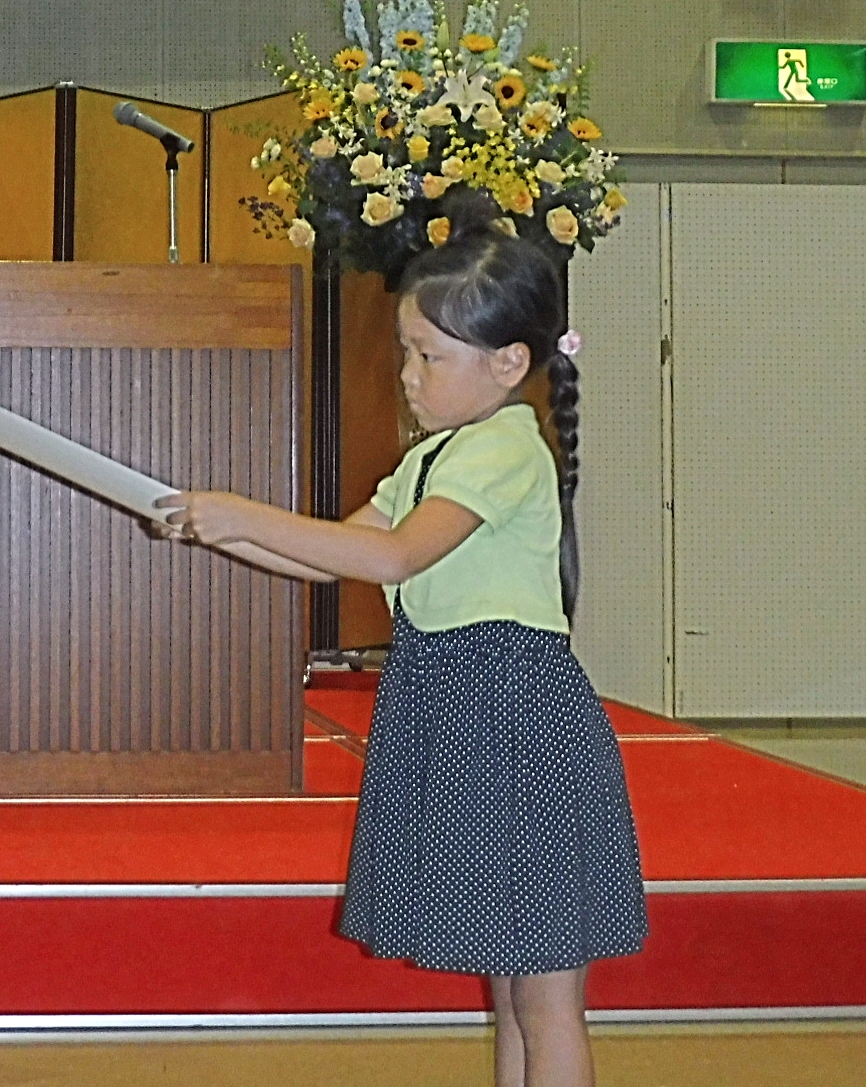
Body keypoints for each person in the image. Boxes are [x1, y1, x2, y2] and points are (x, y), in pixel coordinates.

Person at [163, 231, 645, 1087]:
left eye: (429, 355)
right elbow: (333, 554)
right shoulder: (433, 457)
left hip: (516, 726)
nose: (410, 377)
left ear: (508, 364)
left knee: (544, 1000)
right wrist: (220, 532)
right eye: (408, 354)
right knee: (509, 991)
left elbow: (394, 559)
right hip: (463, 718)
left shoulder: (505, 446)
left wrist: (240, 514)